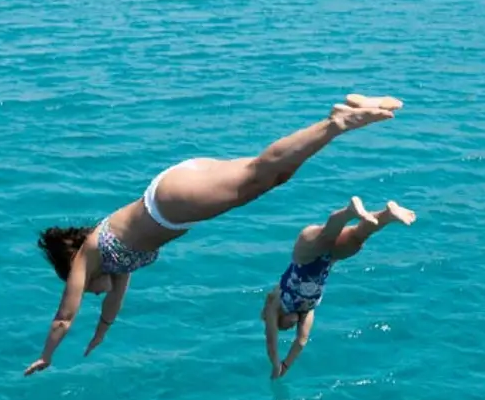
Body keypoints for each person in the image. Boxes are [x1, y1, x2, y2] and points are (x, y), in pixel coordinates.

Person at [27, 94, 404, 375]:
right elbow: (113, 303)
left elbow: (64, 315)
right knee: (272, 178)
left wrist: (47, 355)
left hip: (171, 202)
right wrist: (101, 334)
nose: (94, 294)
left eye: (88, 289)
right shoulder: (117, 262)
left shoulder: (88, 255)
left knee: (258, 173)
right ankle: (334, 120)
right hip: (175, 200)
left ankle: (337, 123)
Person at [263, 196, 416, 379]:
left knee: (326, 236)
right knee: (358, 237)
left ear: (280, 319)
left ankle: (349, 211)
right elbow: (301, 341)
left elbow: (271, 340)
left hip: (304, 255)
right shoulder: (308, 311)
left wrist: (275, 365)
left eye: (285, 327)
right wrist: (286, 366)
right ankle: (388, 214)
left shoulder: (276, 303)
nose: (290, 327)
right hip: (329, 259)